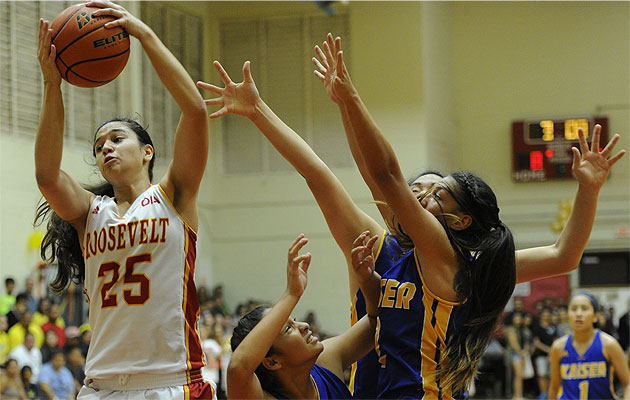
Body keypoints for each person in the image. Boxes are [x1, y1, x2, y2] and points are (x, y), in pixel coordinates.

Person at [198, 34, 625, 399]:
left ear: (454, 222)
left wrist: (348, 100)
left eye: (435, 193)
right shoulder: (379, 244)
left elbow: (384, 177)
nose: (419, 195)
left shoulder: (460, 261)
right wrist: (264, 112)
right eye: (418, 188)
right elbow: (330, 174)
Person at [34, 1, 213, 398]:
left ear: (147, 152)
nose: (107, 149)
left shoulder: (174, 196)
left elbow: (195, 112)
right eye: (100, 146)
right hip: (101, 385)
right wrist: (52, 85)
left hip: (169, 380)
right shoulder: (88, 213)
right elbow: (47, 176)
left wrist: (144, 34)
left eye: (117, 139)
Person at [227, 232, 381, 399]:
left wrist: (368, 281)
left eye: (295, 321)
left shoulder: (326, 361)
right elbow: (238, 367)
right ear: (272, 361)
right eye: (288, 329)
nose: (304, 326)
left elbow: (376, 321)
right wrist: (291, 295)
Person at [548, 292, 630, 399]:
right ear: (568, 315)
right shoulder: (558, 347)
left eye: (584, 309)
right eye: (573, 309)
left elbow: (628, 384)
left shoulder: (609, 344)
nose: (578, 314)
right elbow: (554, 387)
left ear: (595, 316)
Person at [505, 312, 533, 400]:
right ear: (513, 319)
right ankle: (517, 396)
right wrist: (521, 353)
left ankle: (519, 395)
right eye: (516, 318)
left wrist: (525, 351)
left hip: (522, 354)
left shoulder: (524, 330)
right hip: (514, 354)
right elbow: (513, 343)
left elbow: (527, 342)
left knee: (519, 376)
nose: (518, 320)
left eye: (519, 318)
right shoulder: (510, 329)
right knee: (518, 375)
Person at [532, 308, 558, 398]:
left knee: (551, 375)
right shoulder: (537, 326)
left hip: (552, 355)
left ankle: (550, 393)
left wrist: (552, 351)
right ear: (541, 316)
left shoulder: (553, 326)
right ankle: (543, 394)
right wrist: (548, 349)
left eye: (548, 315)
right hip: (541, 355)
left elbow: (555, 340)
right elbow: (536, 342)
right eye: (544, 315)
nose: (546, 317)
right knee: (542, 374)